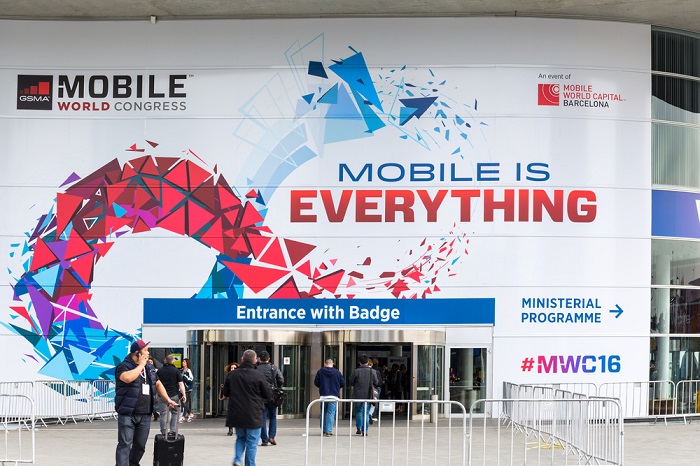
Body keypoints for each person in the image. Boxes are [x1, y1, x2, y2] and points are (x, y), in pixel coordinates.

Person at [115, 340, 176, 466]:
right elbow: (127, 378)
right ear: (137, 353)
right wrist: (140, 366)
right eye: (146, 351)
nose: (148, 353)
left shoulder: (149, 367)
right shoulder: (123, 366)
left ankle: (132, 464)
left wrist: (168, 399)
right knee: (125, 444)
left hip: (145, 414)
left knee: (140, 445)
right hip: (128, 413)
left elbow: (157, 384)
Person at [223, 349, 272, 466]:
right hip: (253, 413)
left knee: (240, 438)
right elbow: (268, 394)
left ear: (242, 359)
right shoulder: (258, 375)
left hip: (237, 412)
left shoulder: (232, 375)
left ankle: (237, 459)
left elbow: (226, 392)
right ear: (255, 360)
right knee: (252, 442)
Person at [257, 350, 284, 446]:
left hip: (260, 396)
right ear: (268, 359)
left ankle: (264, 440)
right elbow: (281, 380)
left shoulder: (256, 368)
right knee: (273, 416)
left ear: (259, 359)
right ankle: (271, 437)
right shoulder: (274, 368)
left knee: (262, 418)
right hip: (272, 395)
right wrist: (276, 387)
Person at [156, 354, 186, 435]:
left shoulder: (160, 371)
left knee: (163, 413)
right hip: (174, 395)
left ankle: (163, 431)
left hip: (162, 396)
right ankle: (173, 430)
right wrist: (184, 395)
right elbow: (181, 384)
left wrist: (157, 395)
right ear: (173, 361)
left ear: (165, 361)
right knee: (175, 413)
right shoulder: (176, 371)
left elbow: (157, 384)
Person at [314, 358, 345, 436]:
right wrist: (336, 387)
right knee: (331, 413)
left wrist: (322, 387)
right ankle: (328, 431)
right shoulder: (337, 372)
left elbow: (316, 382)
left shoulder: (320, 371)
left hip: (323, 395)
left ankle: (323, 429)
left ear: (325, 364)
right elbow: (342, 383)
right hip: (334, 396)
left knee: (323, 413)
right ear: (333, 364)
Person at [349, 354, 378, 436]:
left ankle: (358, 428)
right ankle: (365, 430)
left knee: (358, 411)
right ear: (367, 362)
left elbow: (351, 382)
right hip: (368, 395)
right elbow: (376, 382)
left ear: (359, 362)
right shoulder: (372, 371)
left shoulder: (356, 371)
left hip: (357, 395)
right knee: (366, 412)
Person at [220, 362, 239, 436]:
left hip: (238, 397)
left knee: (237, 412)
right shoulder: (229, 376)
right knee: (230, 412)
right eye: (231, 368)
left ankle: (237, 428)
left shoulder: (239, 376)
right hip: (230, 396)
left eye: (234, 368)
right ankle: (230, 429)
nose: (233, 369)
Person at [180, 358, 194, 423]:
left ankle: (183, 416)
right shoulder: (181, 370)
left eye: (184, 362)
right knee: (183, 403)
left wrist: (184, 376)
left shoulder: (189, 371)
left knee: (184, 402)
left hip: (187, 389)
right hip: (181, 389)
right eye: (183, 362)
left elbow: (190, 380)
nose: (183, 363)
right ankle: (190, 414)